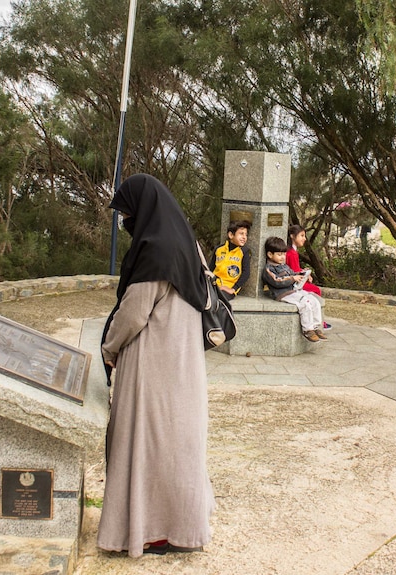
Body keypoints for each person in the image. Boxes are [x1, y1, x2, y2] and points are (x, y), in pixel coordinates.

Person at [99, 174, 214, 556]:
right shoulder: (185, 243)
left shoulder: (154, 249)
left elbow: (133, 314)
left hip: (152, 363)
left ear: (144, 209)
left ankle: (149, 529)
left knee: (146, 444)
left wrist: (109, 348)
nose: (127, 219)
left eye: (128, 211)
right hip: (182, 363)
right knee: (178, 444)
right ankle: (180, 525)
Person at [261, 236, 328, 342]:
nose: (282, 257)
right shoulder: (269, 269)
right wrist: (293, 278)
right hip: (283, 294)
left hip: (294, 291)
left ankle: (316, 327)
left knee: (314, 300)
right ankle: (308, 330)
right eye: (279, 254)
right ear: (270, 254)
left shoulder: (284, 266)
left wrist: (301, 274)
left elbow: (293, 273)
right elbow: (277, 281)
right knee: (304, 303)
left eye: (284, 254)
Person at [286, 224, 331, 330]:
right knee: (316, 290)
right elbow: (294, 272)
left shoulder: (292, 251)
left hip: (294, 279)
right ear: (292, 236)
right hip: (293, 283)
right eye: (301, 236)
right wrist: (304, 275)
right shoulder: (292, 253)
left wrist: (304, 272)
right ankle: (320, 321)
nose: (304, 239)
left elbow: (295, 270)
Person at [209, 220, 251, 300]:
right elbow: (211, 268)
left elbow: (246, 273)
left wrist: (233, 289)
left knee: (217, 299)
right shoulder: (218, 249)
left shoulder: (244, 252)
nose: (244, 237)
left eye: (246, 234)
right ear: (231, 235)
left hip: (229, 287)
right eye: (241, 234)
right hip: (214, 284)